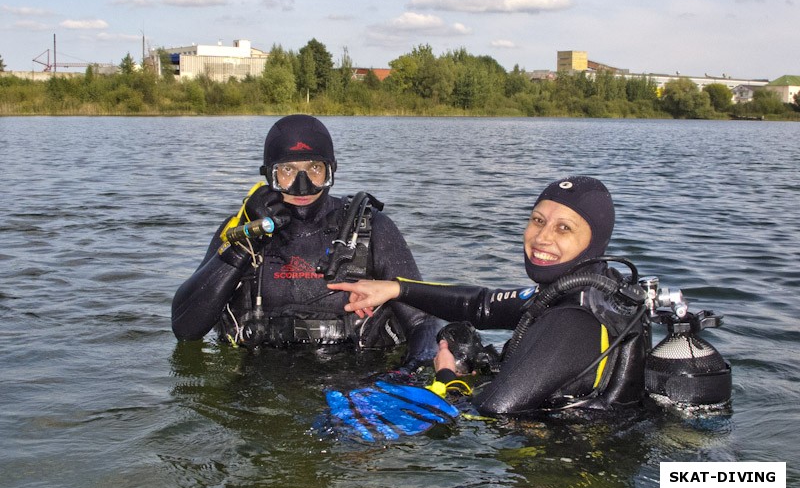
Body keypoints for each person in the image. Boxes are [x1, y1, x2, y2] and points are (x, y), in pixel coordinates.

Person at [329, 176, 648, 416]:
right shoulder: (589, 287)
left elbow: (492, 411)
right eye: (538, 220)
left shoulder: (573, 320)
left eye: (564, 228)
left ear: (595, 240)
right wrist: (397, 288)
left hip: (564, 477)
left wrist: (446, 375)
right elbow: (480, 305)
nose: (542, 237)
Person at [172, 114, 441, 369]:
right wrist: (245, 243)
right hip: (259, 387)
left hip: (355, 383)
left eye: (314, 168)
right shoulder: (241, 231)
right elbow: (185, 329)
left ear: (331, 171)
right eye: (287, 170)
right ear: (269, 175)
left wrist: (409, 375)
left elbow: (423, 324)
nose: (303, 186)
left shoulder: (373, 229)